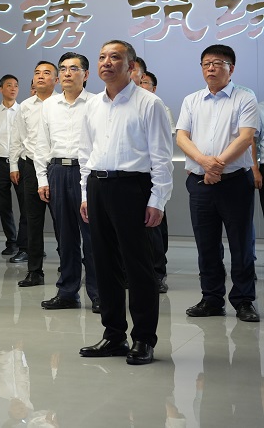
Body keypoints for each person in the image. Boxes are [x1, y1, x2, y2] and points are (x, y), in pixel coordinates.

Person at [79, 39, 172, 365]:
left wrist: (158, 199)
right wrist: (85, 193)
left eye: (114, 57)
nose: (106, 62)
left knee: (138, 267)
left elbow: (162, 157)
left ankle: (143, 338)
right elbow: (85, 153)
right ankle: (114, 335)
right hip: (98, 186)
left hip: (133, 188)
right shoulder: (93, 105)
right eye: (102, 56)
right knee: (103, 264)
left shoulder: (149, 104)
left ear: (131, 66)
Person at [176, 44, 259, 323]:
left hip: (235, 183)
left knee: (241, 244)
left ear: (231, 68)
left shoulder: (245, 97)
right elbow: (182, 137)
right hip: (200, 183)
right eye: (206, 63)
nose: (210, 68)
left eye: (217, 63)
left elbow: (246, 137)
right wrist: (205, 163)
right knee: (206, 244)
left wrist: (217, 165)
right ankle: (211, 299)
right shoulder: (191, 100)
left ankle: (244, 300)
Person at [34, 52, 97, 313]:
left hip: (88, 173)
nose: (67, 73)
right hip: (58, 172)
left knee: (93, 237)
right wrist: (42, 178)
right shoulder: (49, 105)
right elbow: (41, 144)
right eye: (63, 69)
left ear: (86, 74)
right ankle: (67, 292)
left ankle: (98, 293)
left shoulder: (96, 103)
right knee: (65, 237)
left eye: (74, 68)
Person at [9, 61, 57, 287]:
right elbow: (17, 137)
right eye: (37, 73)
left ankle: (68, 268)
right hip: (29, 167)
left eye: (46, 73)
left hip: (55, 168)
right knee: (32, 220)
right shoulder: (25, 106)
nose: (40, 76)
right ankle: (35, 271)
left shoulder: (61, 103)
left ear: (56, 79)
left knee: (62, 221)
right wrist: (14, 165)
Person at [137, 69, 171, 293]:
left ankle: (158, 273)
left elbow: (162, 150)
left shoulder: (159, 107)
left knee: (154, 227)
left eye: (144, 82)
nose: (140, 85)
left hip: (152, 175)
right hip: (130, 176)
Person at [0, 75, 25, 258]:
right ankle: (12, 242)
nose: (13, 88)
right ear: (1, 89)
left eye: (16, 85)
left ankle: (26, 244)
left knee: (26, 206)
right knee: (3, 206)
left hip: (20, 163)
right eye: (9, 85)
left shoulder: (23, 110)